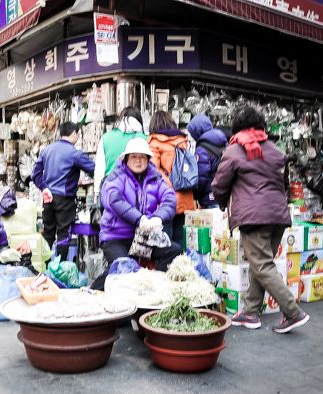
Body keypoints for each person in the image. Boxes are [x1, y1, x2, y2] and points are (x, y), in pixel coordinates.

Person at [212, 106, 309, 333]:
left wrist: (222, 203)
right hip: (278, 215)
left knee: (262, 264)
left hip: (254, 217)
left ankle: (293, 312)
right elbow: (284, 184)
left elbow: (219, 184)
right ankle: (251, 312)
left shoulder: (234, 150)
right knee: (261, 264)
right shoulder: (275, 149)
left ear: (237, 127)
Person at [91, 137, 181, 290]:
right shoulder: (116, 176)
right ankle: (93, 292)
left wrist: (158, 218)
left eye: (142, 157)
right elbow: (114, 199)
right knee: (123, 267)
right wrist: (139, 219)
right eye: (134, 156)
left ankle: (150, 287)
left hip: (143, 237)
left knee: (174, 251)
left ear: (147, 159)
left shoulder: (155, 177)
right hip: (115, 237)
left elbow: (170, 198)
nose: (138, 161)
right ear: (126, 159)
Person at [32, 121, 95, 261]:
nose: (78, 137)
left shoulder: (46, 150)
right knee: (63, 234)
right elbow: (95, 170)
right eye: (77, 134)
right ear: (73, 133)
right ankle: (60, 269)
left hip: (48, 199)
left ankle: (45, 267)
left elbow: (35, 175)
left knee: (48, 233)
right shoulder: (75, 154)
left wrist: (45, 188)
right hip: (65, 200)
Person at [148, 111, 195, 245]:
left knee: (166, 244)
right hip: (185, 197)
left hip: (166, 199)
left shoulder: (154, 142)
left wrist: (169, 184)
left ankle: (168, 266)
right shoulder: (182, 141)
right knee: (181, 243)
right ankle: (180, 265)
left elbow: (153, 170)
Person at [93, 106, 147, 200]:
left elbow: (99, 169)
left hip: (111, 191)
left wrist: (97, 191)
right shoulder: (146, 138)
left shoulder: (106, 138)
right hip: (139, 192)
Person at [187, 114, 228, 209]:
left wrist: (195, 195)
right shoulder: (223, 142)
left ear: (197, 131)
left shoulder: (202, 149)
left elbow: (201, 177)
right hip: (224, 196)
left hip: (209, 198)